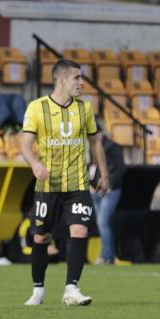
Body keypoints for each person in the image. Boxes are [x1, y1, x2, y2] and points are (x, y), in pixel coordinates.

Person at [19, 58, 110, 306]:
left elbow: (95, 142)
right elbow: (25, 144)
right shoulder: (37, 108)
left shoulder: (85, 109)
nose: (81, 83)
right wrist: (35, 164)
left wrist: (103, 173)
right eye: (77, 78)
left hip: (78, 184)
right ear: (61, 80)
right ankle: (38, 289)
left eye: (82, 78)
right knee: (40, 237)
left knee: (79, 230)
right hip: (48, 185)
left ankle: (71, 288)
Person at [91, 129, 124, 265]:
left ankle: (106, 256)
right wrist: (90, 186)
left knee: (102, 223)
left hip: (110, 190)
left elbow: (122, 168)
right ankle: (108, 256)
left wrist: (110, 184)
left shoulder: (113, 147)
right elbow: (91, 168)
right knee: (103, 224)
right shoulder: (90, 147)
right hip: (96, 191)